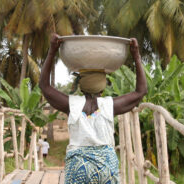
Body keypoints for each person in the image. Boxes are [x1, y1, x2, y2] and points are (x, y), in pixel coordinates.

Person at [40, 34, 147, 184]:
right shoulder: (110, 106)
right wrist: (136, 56)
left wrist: (52, 50)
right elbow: (140, 92)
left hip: (78, 167)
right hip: (105, 167)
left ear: (81, 86)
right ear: (102, 87)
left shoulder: (71, 105)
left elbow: (44, 86)